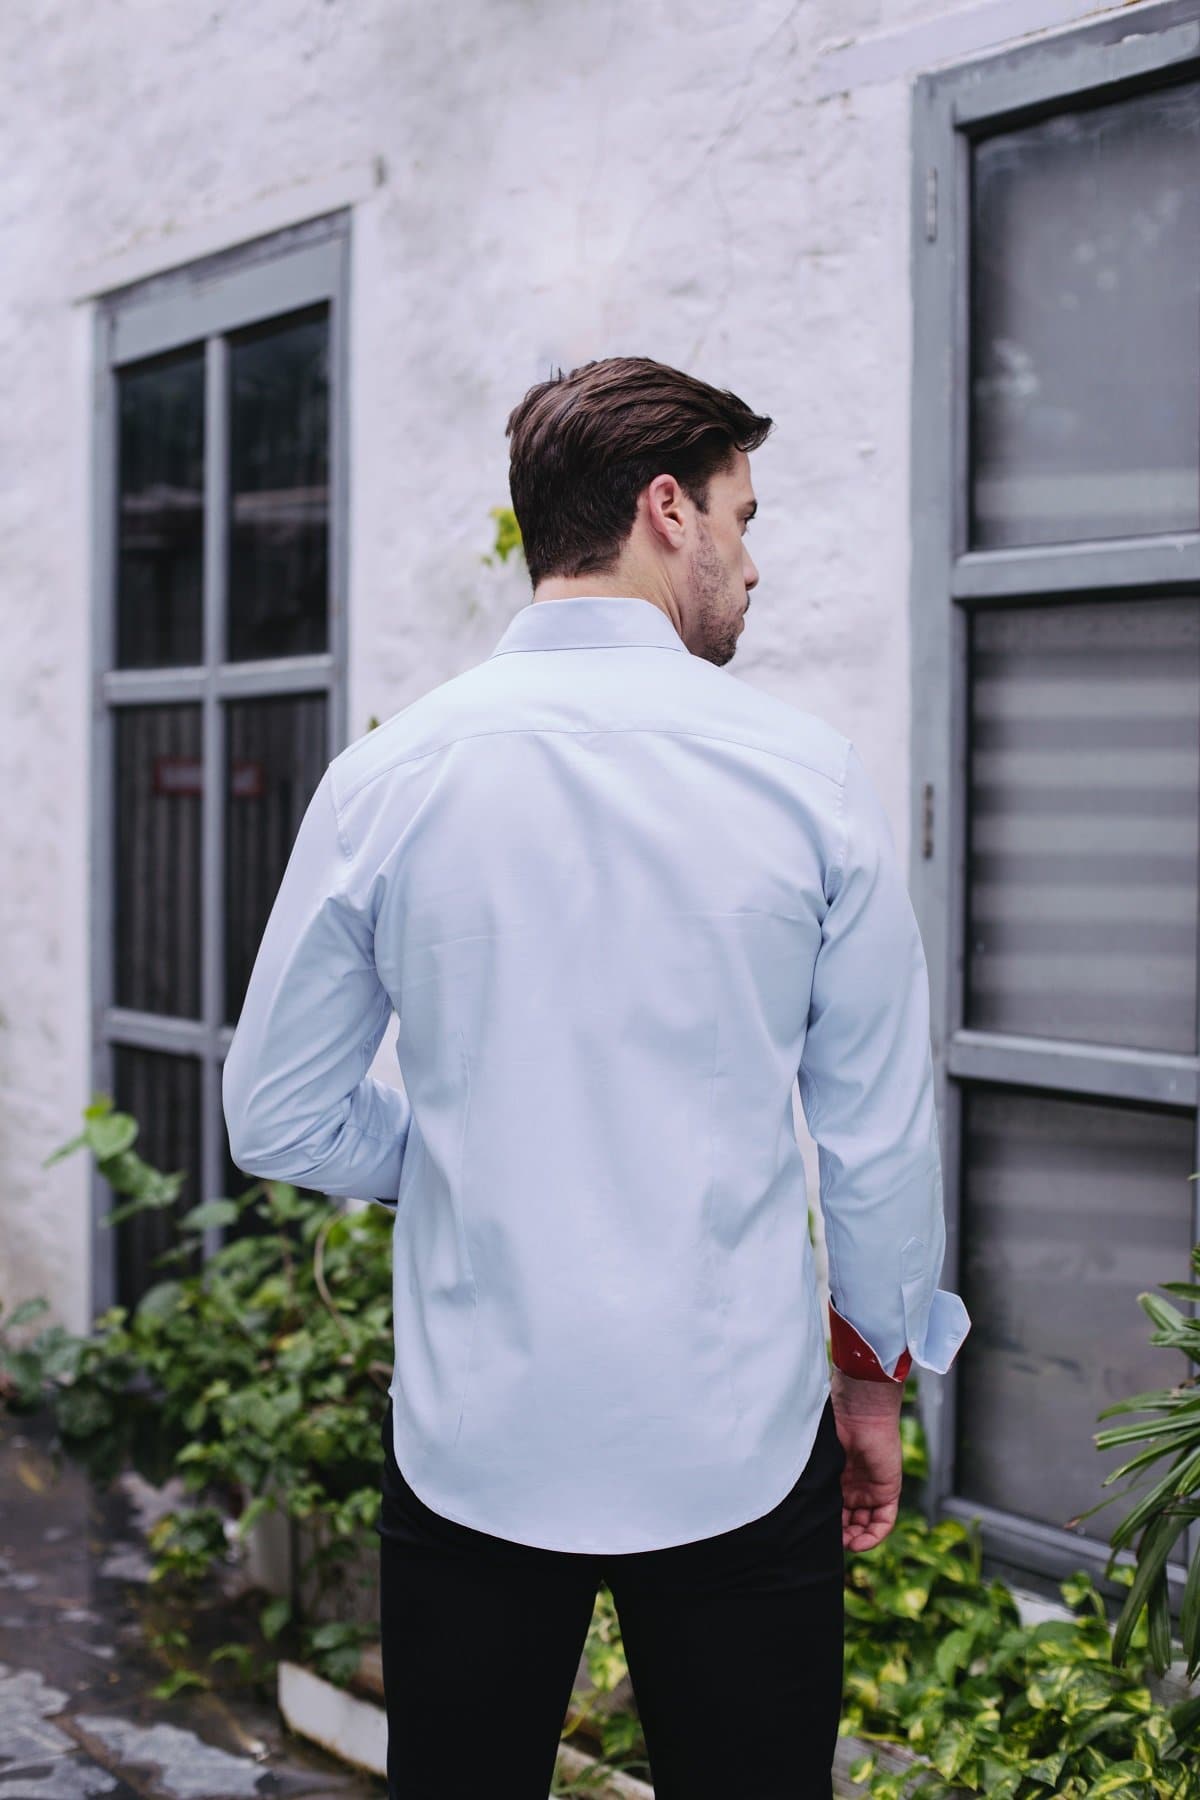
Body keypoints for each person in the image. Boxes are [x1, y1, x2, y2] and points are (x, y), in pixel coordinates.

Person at [222, 354, 970, 1799]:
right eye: (746, 521)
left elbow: (280, 1113)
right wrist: (870, 1388)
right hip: (737, 1440)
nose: (755, 568)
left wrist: (455, 1143)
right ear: (667, 508)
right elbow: (874, 1136)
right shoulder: (804, 776)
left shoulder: (392, 776)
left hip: (476, 1443)